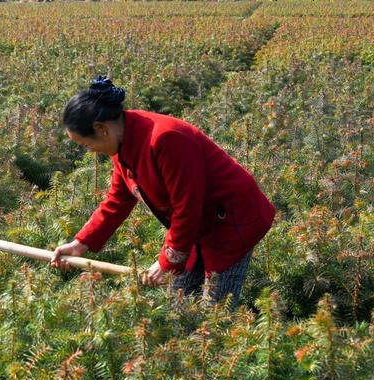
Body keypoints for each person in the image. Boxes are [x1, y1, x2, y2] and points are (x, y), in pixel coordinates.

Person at [49, 76, 275, 308]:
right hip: (199, 225)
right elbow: (116, 201)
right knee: (178, 299)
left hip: (232, 220)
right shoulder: (125, 141)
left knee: (216, 308)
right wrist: (80, 244)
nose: (91, 151)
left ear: (101, 129)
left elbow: (186, 209)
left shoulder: (166, 139)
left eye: (86, 144)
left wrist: (168, 262)